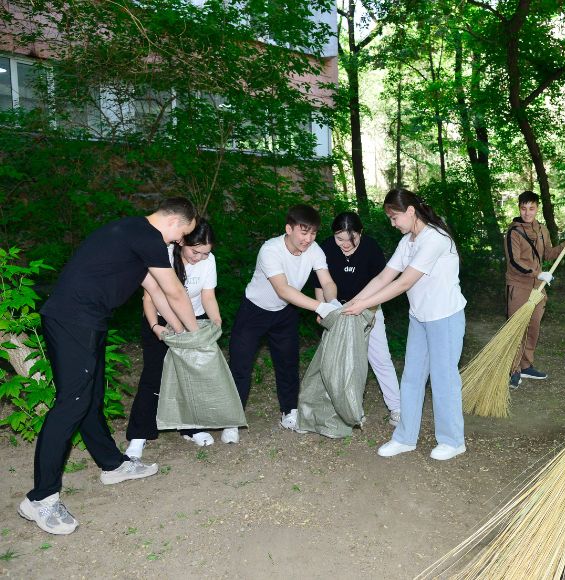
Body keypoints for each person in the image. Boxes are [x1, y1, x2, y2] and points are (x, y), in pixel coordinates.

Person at [19, 197, 200, 536]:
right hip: (75, 320)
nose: (180, 241)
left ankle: (112, 465)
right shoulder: (148, 236)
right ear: (175, 222)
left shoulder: (132, 231)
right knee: (72, 404)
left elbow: (157, 292)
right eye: (183, 234)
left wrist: (179, 331)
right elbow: (175, 291)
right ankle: (40, 498)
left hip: (83, 320)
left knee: (90, 399)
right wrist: (198, 337)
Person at [342, 189, 467, 461]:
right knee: (411, 377)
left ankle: (453, 440)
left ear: (411, 212)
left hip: (444, 317)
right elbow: (383, 278)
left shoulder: (435, 239)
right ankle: (405, 437)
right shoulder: (407, 241)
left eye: (394, 217)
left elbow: (404, 283)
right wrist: (353, 302)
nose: (392, 223)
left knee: (444, 378)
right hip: (420, 317)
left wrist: (364, 305)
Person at [227, 204, 338, 441]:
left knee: (288, 363)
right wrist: (319, 307)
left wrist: (333, 303)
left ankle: (290, 411)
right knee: (240, 366)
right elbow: (283, 289)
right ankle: (232, 420)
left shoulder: (314, 249)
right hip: (253, 311)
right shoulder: (270, 250)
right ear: (289, 229)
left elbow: (327, 282)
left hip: (285, 312)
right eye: (304, 232)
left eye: (313, 233)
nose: (308, 239)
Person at [124, 218, 222, 458]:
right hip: (160, 320)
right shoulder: (163, 255)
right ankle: (139, 434)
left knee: (192, 376)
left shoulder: (208, 261)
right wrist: (155, 326)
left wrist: (216, 321)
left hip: (193, 321)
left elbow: (208, 296)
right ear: (181, 242)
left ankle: (191, 427)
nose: (200, 257)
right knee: (154, 375)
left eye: (205, 253)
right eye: (195, 252)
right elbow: (149, 297)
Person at [311, 212, 402, 426]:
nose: (345, 244)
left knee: (380, 358)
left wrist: (368, 311)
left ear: (361, 232)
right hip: (337, 310)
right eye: (339, 239)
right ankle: (348, 410)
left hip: (368, 308)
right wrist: (322, 309)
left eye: (351, 239)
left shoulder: (371, 247)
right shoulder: (326, 248)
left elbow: (381, 283)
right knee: (339, 362)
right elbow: (319, 283)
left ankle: (397, 408)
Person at [504, 190, 565, 387]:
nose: (527, 213)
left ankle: (526, 365)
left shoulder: (542, 230)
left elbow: (548, 254)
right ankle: (514, 369)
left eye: (531, 208)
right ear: (519, 208)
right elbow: (514, 262)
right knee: (517, 328)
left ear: (537, 208)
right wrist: (537, 274)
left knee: (533, 327)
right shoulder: (513, 232)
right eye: (523, 208)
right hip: (519, 285)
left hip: (538, 287)